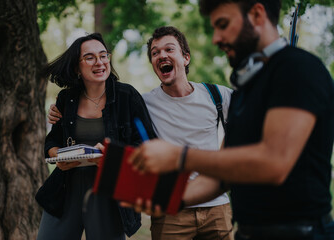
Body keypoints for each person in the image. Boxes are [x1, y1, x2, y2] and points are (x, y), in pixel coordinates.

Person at [127, 1, 334, 239]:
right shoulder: (245, 89)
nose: (216, 38)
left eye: (223, 25)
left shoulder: (296, 69)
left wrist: (179, 157)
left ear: (257, 14)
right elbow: (222, 175)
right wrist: (170, 200)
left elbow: (274, 161)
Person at [48, 26, 234, 240]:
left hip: (217, 207)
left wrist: (223, 160)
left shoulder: (217, 95)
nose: (162, 55)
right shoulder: (143, 102)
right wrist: (57, 112)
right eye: (155, 53)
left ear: (186, 58)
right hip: (170, 208)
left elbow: (253, 119)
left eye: (169, 49)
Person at [36, 33, 156, 240]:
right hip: (66, 189)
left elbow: (148, 144)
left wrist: (114, 158)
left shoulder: (127, 96)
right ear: (77, 67)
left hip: (109, 193)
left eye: (103, 55)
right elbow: (53, 140)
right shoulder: (67, 98)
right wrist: (57, 155)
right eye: (90, 57)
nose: (99, 62)